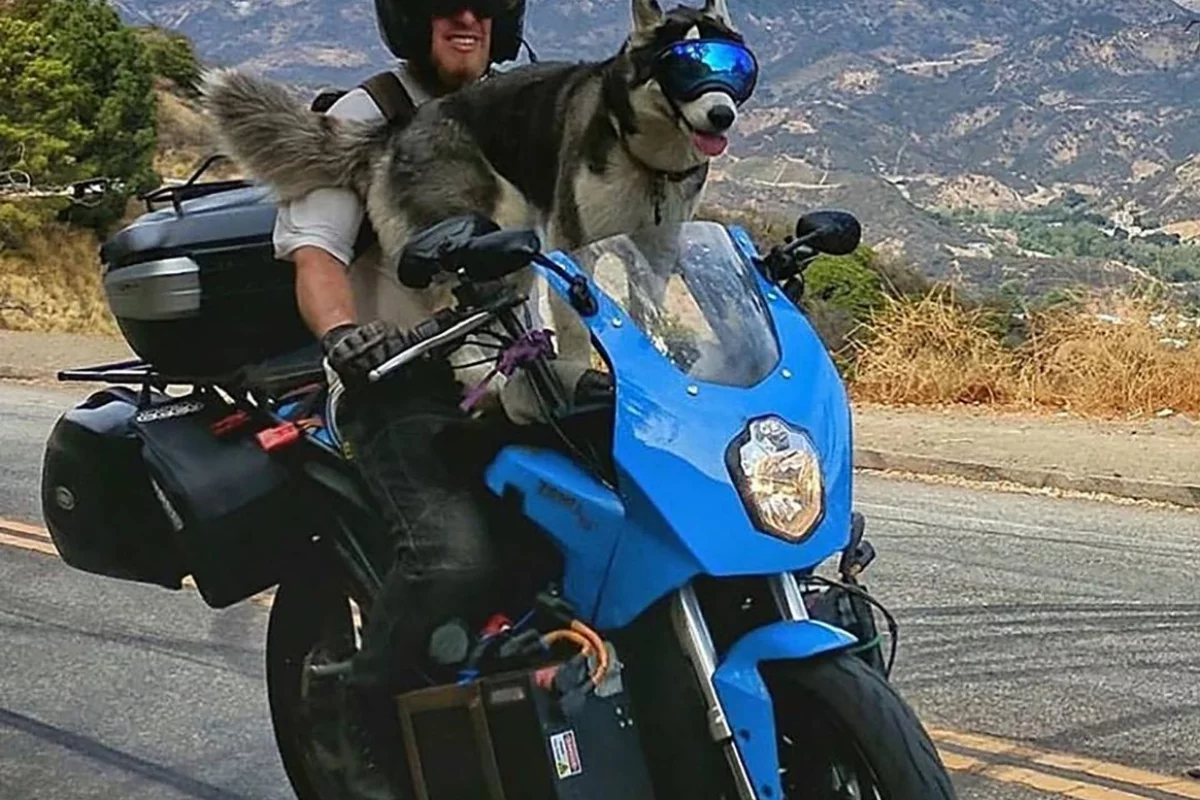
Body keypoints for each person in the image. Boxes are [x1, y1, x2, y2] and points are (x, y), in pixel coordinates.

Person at [272, 1, 589, 795]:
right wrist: (345, 335)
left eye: (485, 5)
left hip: (517, 376)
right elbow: (316, 253)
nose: (466, 18)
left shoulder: (516, 109)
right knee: (455, 556)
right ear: (411, 17)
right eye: (444, 3)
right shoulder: (364, 119)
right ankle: (355, 713)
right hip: (401, 378)